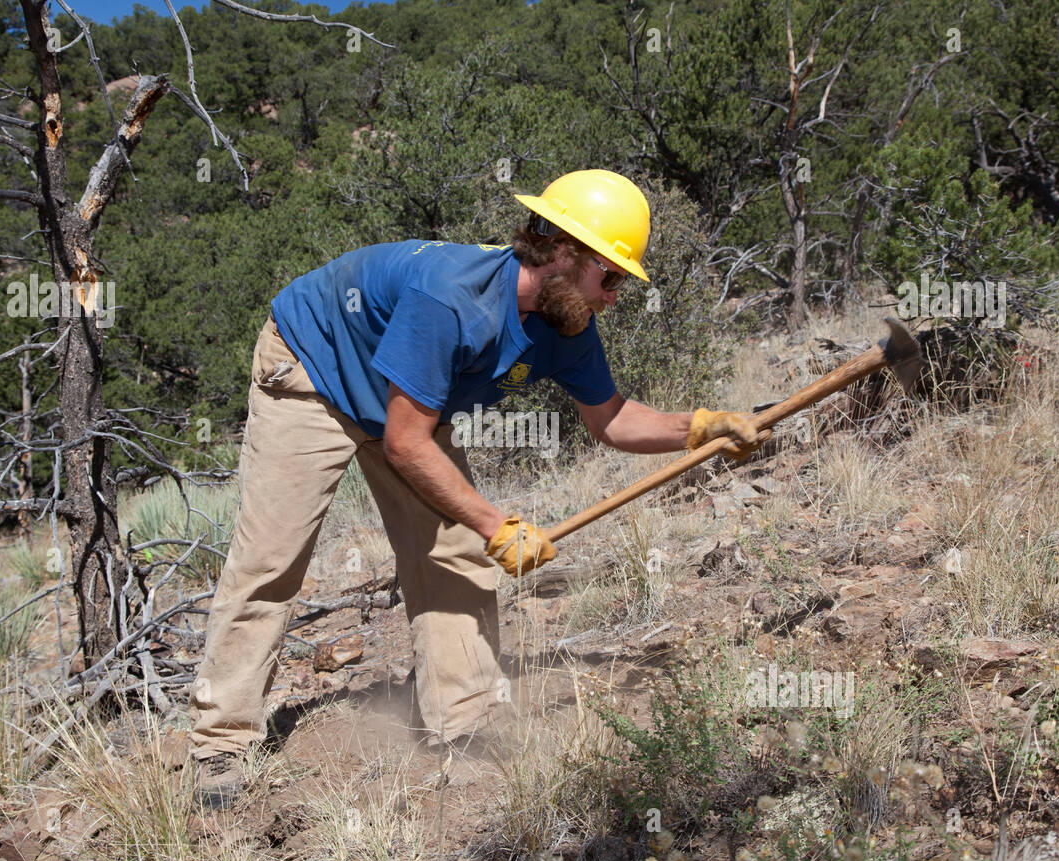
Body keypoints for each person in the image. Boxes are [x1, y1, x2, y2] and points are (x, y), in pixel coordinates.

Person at [188, 169, 767, 809]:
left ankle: (458, 724)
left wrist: (699, 428)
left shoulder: (566, 325)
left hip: (407, 408)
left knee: (455, 550)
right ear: (566, 254)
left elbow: (610, 419)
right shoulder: (452, 298)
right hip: (314, 370)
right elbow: (408, 445)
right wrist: (497, 524)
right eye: (614, 277)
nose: (615, 296)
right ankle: (220, 741)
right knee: (273, 558)